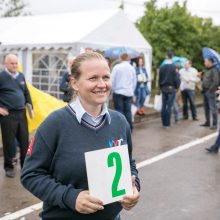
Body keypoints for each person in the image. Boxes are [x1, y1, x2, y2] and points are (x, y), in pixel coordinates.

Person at [21, 52, 140, 220]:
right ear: (74, 83)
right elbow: (31, 175)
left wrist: (134, 189)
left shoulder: (120, 121)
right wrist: (70, 197)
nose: (101, 84)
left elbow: (129, 163)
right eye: (93, 78)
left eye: (106, 77)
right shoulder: (55, 124)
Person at [0, 54, 32, 178]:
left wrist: (29, 105)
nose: (15, 65)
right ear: (6, 64)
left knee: (24, 141)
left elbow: (26, 92)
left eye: (16, 63)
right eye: (12, 63)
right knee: (8, 142)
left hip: (21, 113)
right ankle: (9, 167)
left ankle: (25, 167)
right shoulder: (1, 77)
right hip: (8, 115)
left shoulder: (21, 76)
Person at [111, 53, 137, 130]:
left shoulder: (117, 67)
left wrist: (113, 89)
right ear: (128, 58)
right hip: (129, 92)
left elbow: (112, 80)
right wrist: (132, 90)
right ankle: (129, 128)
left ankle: (121, 128)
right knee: (128, 111)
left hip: (118, 92)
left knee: (119, 111)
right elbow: (134, 81)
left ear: (121, 58)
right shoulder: (132, 68)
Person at [159, 51, 180, 128]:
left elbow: (160, 79)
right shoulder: (174, 67)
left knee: (164, 106)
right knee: (169, 106)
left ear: (166, 56)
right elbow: (176, 79)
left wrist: (160, 87)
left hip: (164, 88)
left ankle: (163, 122)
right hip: (171, 88)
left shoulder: (162, 67)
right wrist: (177, 87)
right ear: (172, 57)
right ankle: (167, 124)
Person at [200, 57, 219, 130]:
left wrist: (210, 90)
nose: (204, 63)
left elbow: (216, 81)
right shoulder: (206, 70)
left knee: (212, 108)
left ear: (210, 62)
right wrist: (201, 76)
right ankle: (207, 122)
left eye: (205, 61)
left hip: (210, 91)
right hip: (204, 91)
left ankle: (214, 124)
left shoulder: (214, 70)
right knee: (206, 108)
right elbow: (205, 79)